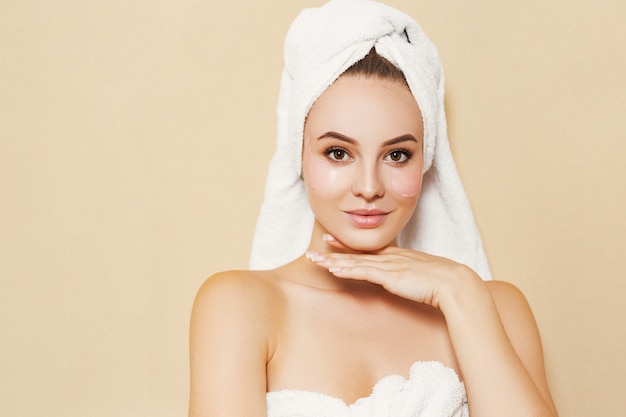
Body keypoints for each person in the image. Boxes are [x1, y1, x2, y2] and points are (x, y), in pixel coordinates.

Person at [189, 1, 558, 416]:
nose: (368, 187)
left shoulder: (494, 306)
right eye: (338, 153)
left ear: (428, 162)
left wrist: (460, 291)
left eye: (397, 155)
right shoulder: (240, 306)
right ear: (300, 156)